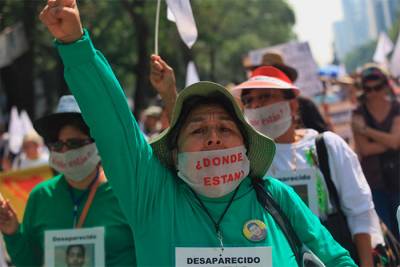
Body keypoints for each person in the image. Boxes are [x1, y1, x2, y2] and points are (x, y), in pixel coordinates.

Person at [38, 1, 356, 266]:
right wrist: (76, 45)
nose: (214, 137)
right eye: (199, 129)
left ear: (246, 146)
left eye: (225, 128)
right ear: (176, 152)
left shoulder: (275, 196)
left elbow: (336, 258)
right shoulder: (152, 196)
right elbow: (113, 124)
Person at [232, 66, 384, 266]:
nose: (257, 105)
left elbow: (360, 213)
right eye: (248, 100)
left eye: (265, 96)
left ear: (292, 105)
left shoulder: (327, 146)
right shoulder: (246, 160)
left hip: (335, 254)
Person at [0, 95, 136, 266]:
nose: (65, 151)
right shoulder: (41, 196)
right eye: (57, 144)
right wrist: (12, 233)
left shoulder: (125, 193)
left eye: (74, 143)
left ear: (97, 142)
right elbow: (30, 262)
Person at [352, 64, 400, 239]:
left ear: (386, 86)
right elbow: (365, 148)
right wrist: (390, 140)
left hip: (398, 178)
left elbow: (396, 142)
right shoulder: (358, 113)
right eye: (367, 89)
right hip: (374, 182)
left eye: (377, 87)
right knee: (388, 234)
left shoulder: (396, 107)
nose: (372, 93)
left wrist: (366, 131)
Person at [244, 52, 330, 133]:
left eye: (275, 74)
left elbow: (320, 134)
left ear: (293, 106)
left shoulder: (305, 104)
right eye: (265, 74)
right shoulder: (255, 109)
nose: (269, 78)